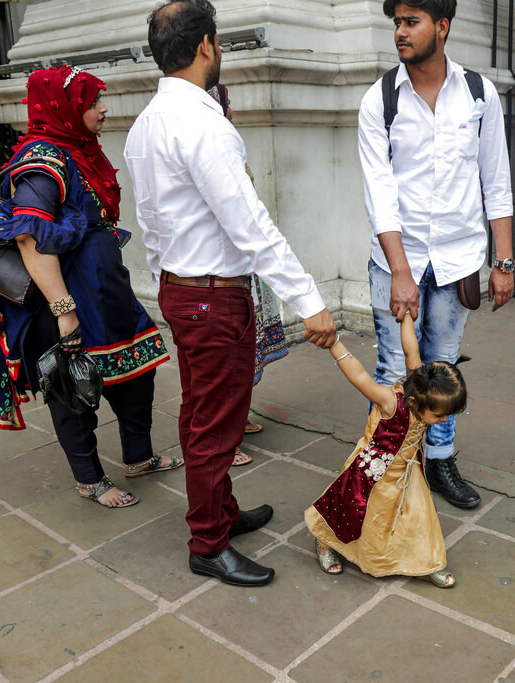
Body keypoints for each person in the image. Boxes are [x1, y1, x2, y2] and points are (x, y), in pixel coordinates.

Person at [125, 0, 337, 588]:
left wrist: (172, 284)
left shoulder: (147, 123)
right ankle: (207, 544)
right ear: (204, 46)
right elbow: (251, 224)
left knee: (203, 414)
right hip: (211, 298)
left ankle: (217, 513)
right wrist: (309, 302)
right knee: (215, 424)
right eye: (217, 42)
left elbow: (151, 219)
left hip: (182, 290)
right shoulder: (202, 124)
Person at [0, 66, 176, 509]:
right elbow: (30, 238)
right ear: (63, 107)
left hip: (108, 291)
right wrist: (64, 310)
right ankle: (89, 479)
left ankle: (138, 456)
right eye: (92, 102)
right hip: (73, 299)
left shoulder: (77, 150)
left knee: (137, 372)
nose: (103, 108)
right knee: (73, 388)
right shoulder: (42, 159)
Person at [357, 0, 515, 510]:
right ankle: (384, 466)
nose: (400, 32)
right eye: (397, 23)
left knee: (442, 368)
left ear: (442, 26)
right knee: (391, 370)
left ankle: (441, 462)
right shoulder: (380, 99)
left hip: (457, 258)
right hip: (395, 262)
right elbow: (378, 192)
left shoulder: (478, 94)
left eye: (411, 22)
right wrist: (401, 271)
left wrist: (504, 262)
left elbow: (496, 180)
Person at [305, 315, 463, 587]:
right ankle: (325, 542)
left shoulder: (419, 382)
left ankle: (428, 562)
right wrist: (334, 344)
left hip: (407, 474)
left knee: (419, 518)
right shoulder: (392, 403)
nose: (444, 420)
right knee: (352, 513)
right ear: (415, 402)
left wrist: (406, 318)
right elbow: (359, 376)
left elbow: (410, 348)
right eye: (439, 415)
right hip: (370, 475)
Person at [208, 83, 287, 467]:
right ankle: (227, 440)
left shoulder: (228, 141)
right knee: (226, 363)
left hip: (245, 267)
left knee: (243, 357)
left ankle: (236, 423)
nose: (232, 110)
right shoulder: (213, 145)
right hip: (223, 273)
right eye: (227, 103)